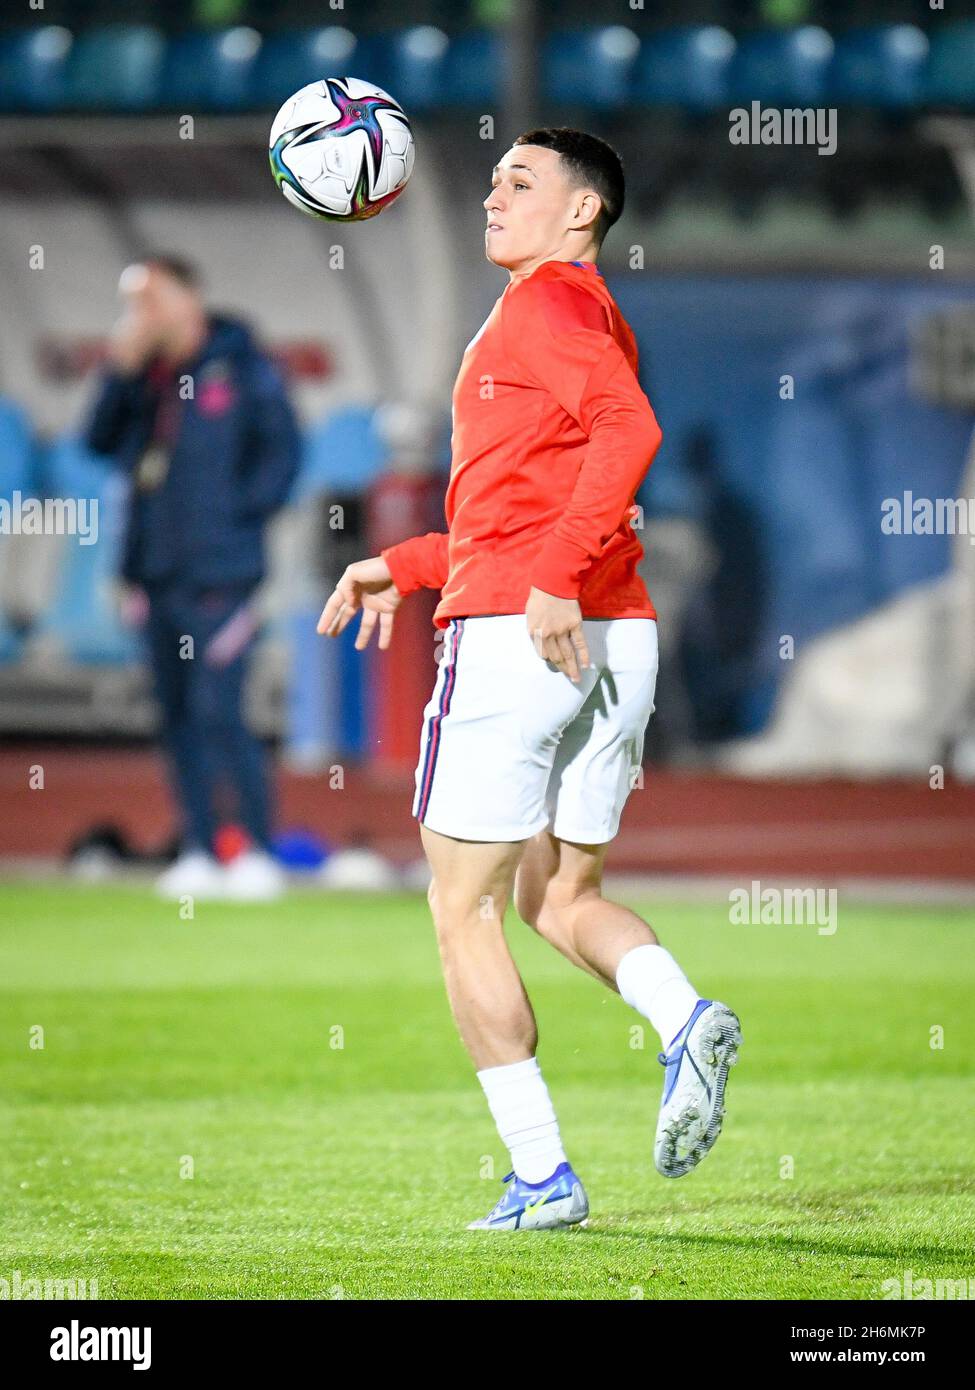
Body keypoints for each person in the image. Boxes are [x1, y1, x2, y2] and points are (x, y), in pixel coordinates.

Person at [318, 129, 742, 1230]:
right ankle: (683, 1014)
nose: (493, 195)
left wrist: (550, 581)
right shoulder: (580, 311)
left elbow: (627, 431)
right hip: (613, 633)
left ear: (584, 212)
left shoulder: (546, 305)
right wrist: (405, 566)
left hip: (529, 635)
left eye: (522, 181)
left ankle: (542, 1176)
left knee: (460, 910)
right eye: (495, 178)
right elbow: (517, 504)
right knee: (559, 895)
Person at [85, 255, 301, 901]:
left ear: (188, 295)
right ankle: (202, 850)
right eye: (132, 300)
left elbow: (282, 455)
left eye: (152, 296)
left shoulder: (242, 365)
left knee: (220, 712)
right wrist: (119, 376)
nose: (142, 312)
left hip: (223, 579)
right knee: (176, 716)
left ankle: (258, 852)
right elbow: (97, 444)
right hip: (154, 575)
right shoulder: (143, 378)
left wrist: (235, 525)